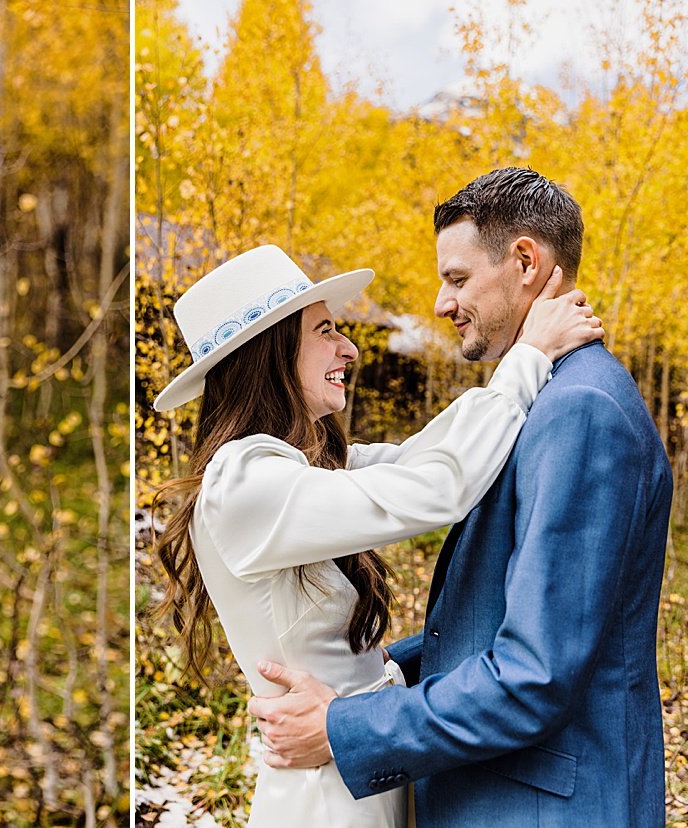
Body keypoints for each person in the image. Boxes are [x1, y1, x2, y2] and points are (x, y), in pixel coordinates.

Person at [249, 169, 670, 826]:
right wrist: (384, 669)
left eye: (456, 278)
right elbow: (514, 616)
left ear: (526, 261)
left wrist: (346, 727)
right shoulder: (541, 399)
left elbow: (534, 675)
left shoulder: (579, 410)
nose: (442, 305)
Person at [150, 242, 602, 827]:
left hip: (355, 763)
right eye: (325, 330)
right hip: (324, 799)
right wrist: (531, 355)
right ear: (269, 351)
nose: (350, 347)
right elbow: (442, 486)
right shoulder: (245, 483)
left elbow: (424, 456)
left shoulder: (296, 469)